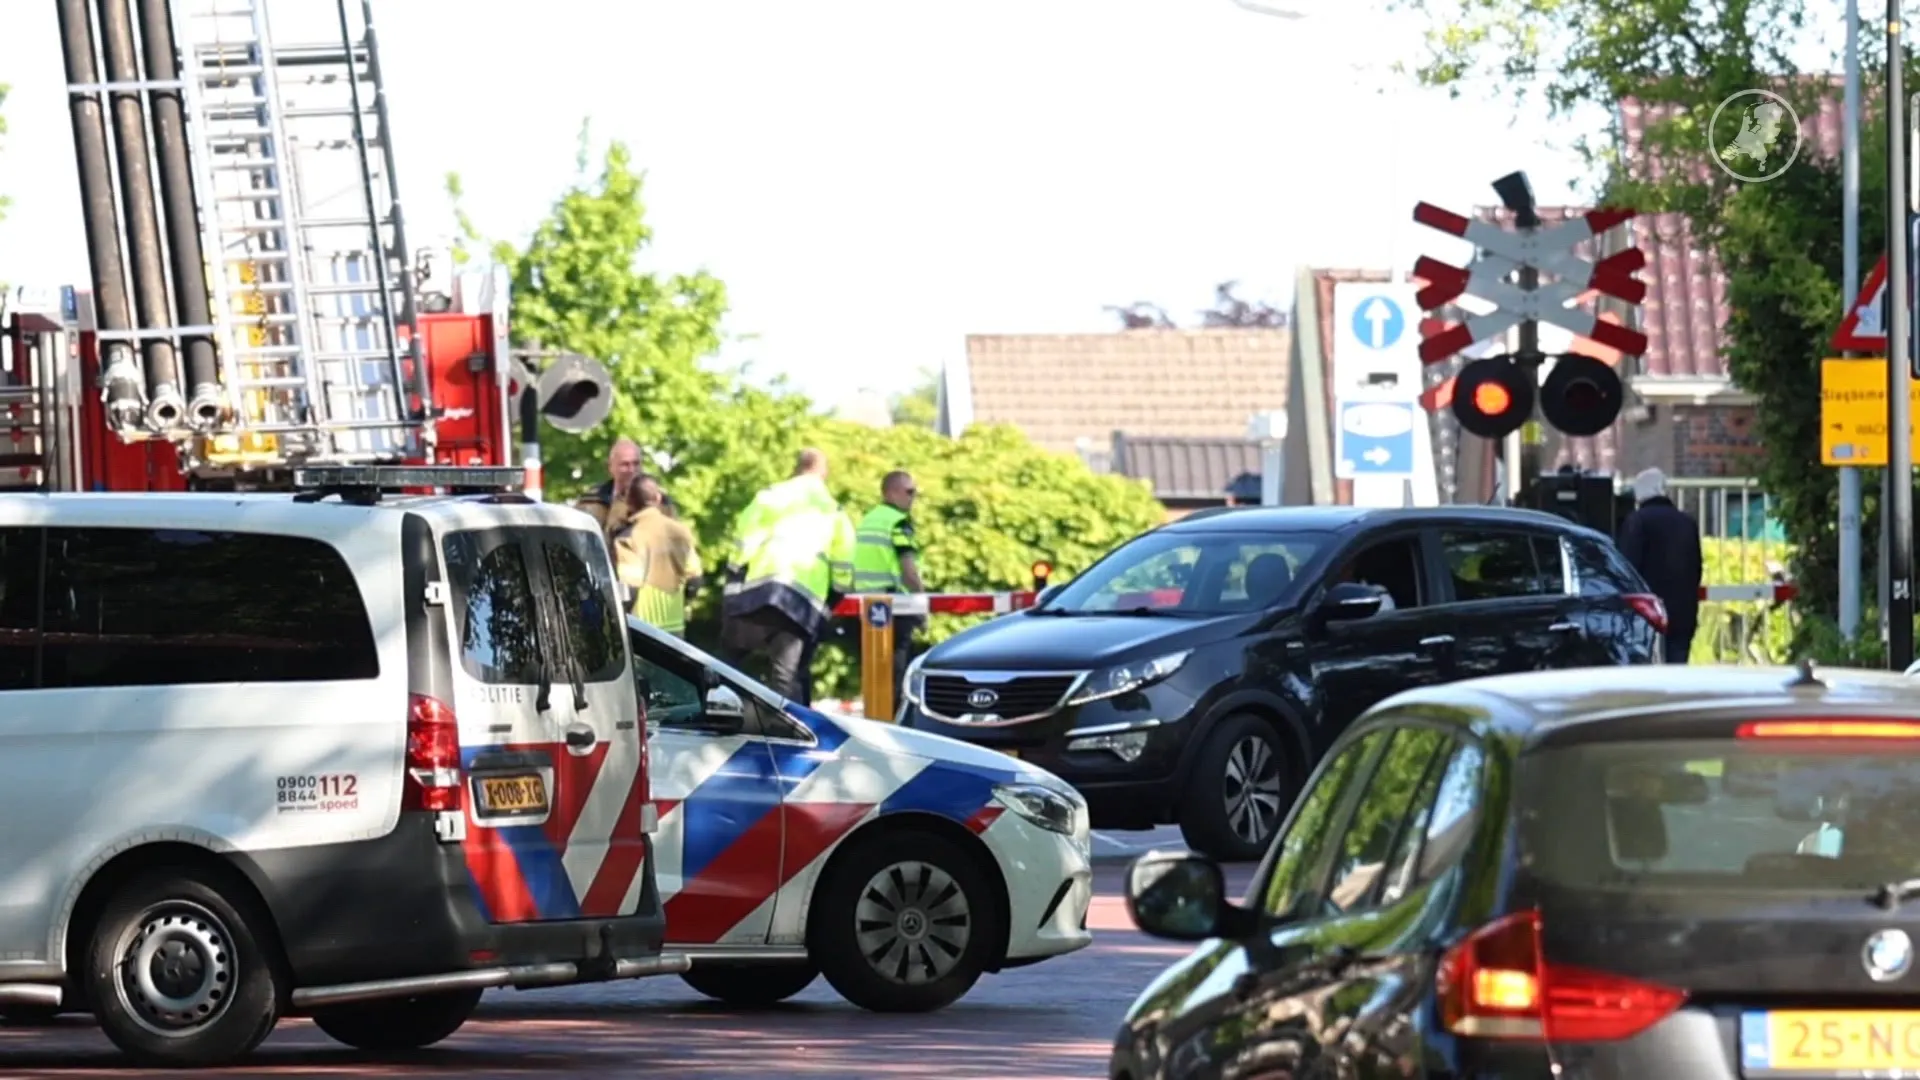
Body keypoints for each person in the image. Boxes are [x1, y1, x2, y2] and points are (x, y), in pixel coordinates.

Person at [719, 448, 856, 704]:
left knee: (728, 664)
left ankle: (718, 718)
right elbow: (843, 566)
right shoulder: (835, 512)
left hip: (759, 593)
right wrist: (832, 602)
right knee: (786, 677)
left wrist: (735, 574)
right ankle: (790, 732)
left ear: (797, 468)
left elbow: (744, 539)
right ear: (823, 473)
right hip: (800, 605)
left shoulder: (770, 496)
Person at [853, 470, 926, 711]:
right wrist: (922, 605)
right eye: (909, 491)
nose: (913, 497)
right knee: (898, 672)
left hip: (868, 606)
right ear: (891, 492)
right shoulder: (897, 522)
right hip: (896, 606)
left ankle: (877, 720)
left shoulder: (869, 519)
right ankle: (895, 727)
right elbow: (908, 570)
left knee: (876, 673)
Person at [1618, 467, 1703, 664]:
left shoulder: (1638, 521)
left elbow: (1628, 568)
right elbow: (1696, 567)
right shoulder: (1687, 522)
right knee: (1678, 667)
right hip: (1684, 609)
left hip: (1649, 612)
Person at [613, 476, 704, 637]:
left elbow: (629, 588)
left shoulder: (628, 537)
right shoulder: (681, 531)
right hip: (676, 628)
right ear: (657, 498)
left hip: (642, 631)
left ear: (630, 502)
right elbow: (695, 579)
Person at [575, 437, 644, 542]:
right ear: (610, 467)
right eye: (625, 464)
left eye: (636, 464)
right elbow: (575, 535)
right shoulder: (591, 499)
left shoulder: (654, 500)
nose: (632, 470)